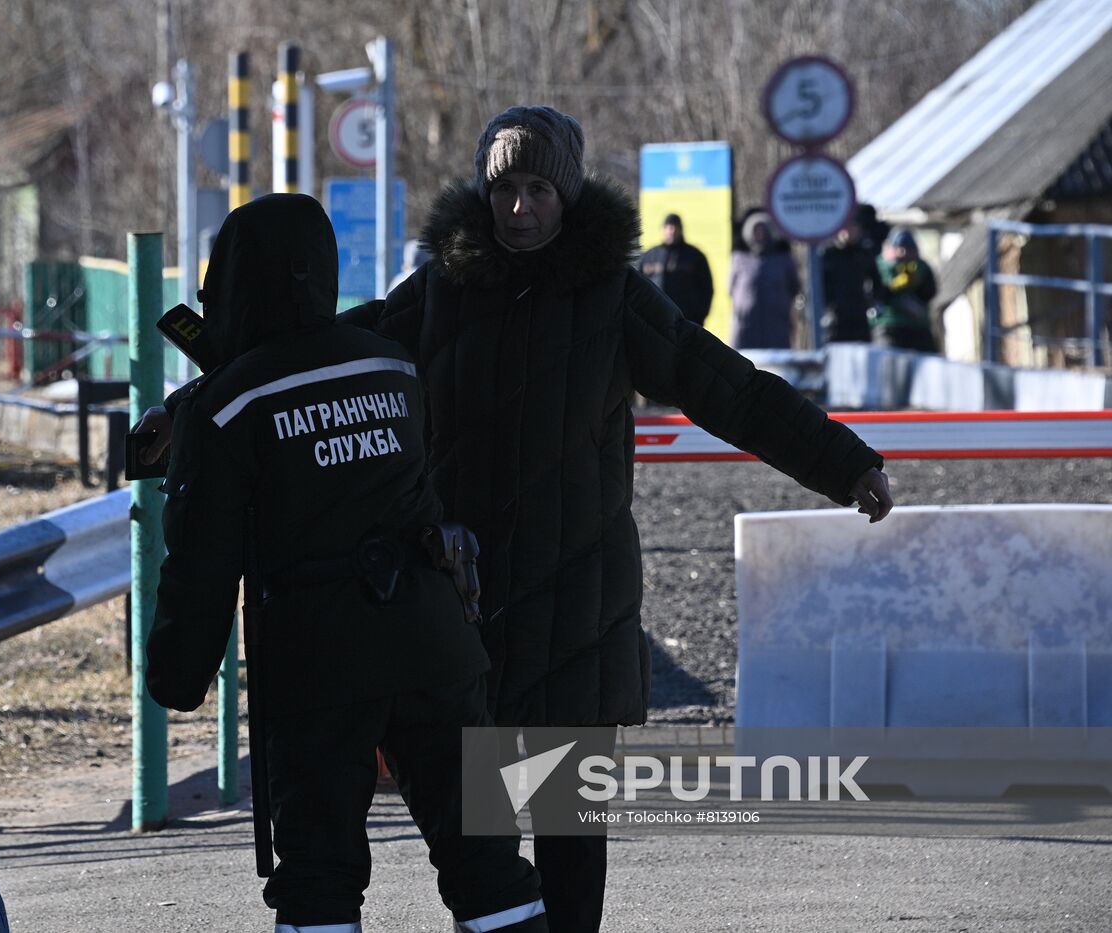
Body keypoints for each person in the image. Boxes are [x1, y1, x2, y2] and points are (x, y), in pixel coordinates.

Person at [339, 106, 894, 932]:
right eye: (504, 189)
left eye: (537, 189)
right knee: (480, 846)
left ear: (567, 194)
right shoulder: (437, 293)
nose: (519, 208)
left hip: (577, 608)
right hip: (465, 601)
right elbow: (327, 363)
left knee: (567, 835)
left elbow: (726, 387)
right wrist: (203, 399)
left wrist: (842, 462)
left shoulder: (612, 297)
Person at [141, 194, 547, 933]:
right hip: (436, 643)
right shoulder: (394, 367)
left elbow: (200, 562)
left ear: (229, 284)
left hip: (318, 663)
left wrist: (177, 674)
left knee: (319, 875)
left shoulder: (225, 406)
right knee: (487, 859)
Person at [729, 211, 800, 349]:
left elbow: (794, 286)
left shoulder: (783, 259)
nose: (760, 234)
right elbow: (731, 288)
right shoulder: (739, 258)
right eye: (756, 231)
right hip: (746, 325)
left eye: (763, 230)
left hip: (776, 325)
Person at [637, 213, 713, 326]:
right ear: (662, 229)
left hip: (686, 321)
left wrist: (698, 316)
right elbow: (637, 287)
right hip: (654, 321)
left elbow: (706, 288)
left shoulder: (694, 256)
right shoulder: (650, 256)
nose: (671, 231)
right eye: (668, 227)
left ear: (681, 229)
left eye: (675, 227)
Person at [870, 228, 938, 352]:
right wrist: (893, 288)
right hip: (887, 324)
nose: (903, 253)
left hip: (917, 325)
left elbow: (930, 292)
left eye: (908, 249)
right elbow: (874, 293)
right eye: (899, 249)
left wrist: (916, 294)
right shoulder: (879, 266)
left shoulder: (921, 267)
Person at [820, 219, 880, 343]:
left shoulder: (864, 254)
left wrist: (873, 303)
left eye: (852, 228)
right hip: (835, 319)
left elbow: (877, 282)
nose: (848, 233)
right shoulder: (828, 255)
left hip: (859, 317)